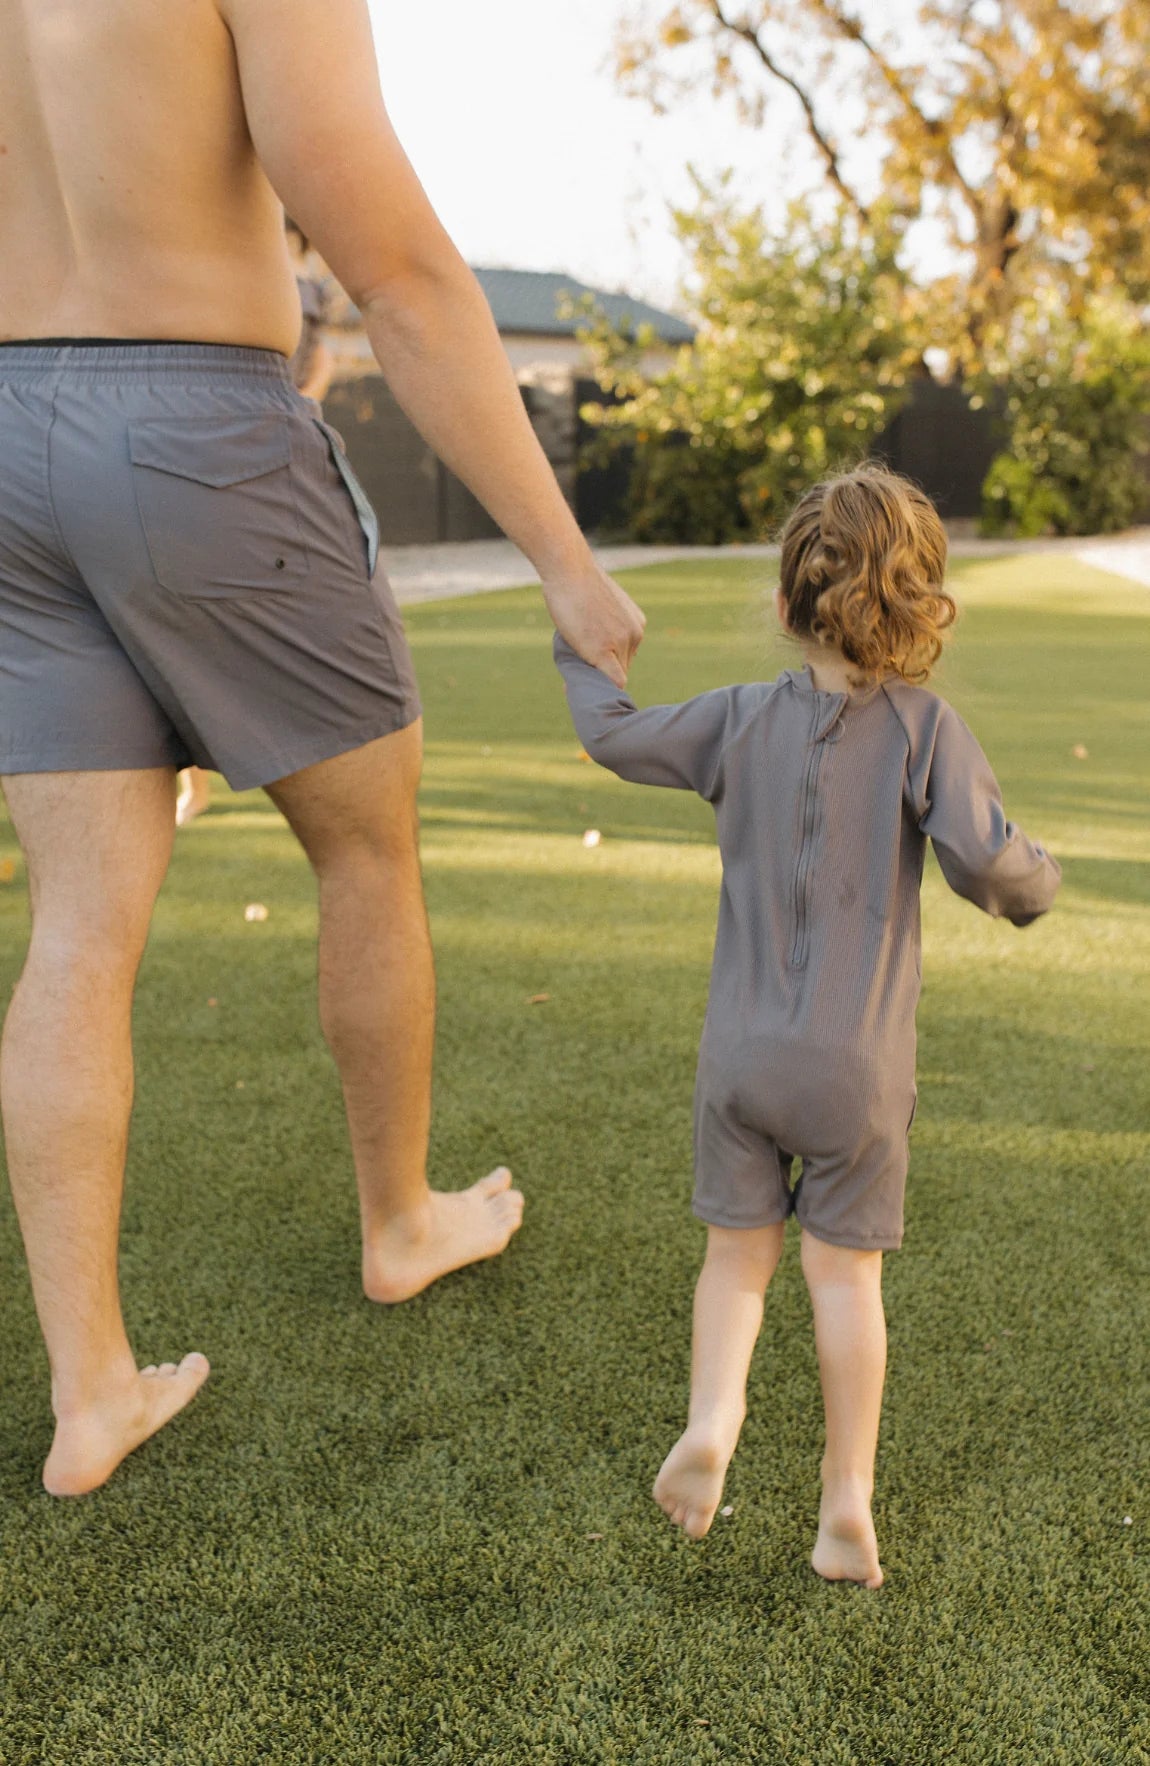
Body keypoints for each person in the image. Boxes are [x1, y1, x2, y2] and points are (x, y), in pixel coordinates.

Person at [0, 0, 645, 1498]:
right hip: (194, 422)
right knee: (364, 839)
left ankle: (90, 1387)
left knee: (78, 925)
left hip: (12, 435)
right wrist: (562, 560)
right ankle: (399, 1222)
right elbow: (403, 274)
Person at [555, 465, 1060, 1587]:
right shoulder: (927, 730)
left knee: (734, 1260)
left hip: (739, 1061)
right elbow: (995, 870)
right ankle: (843, 1498)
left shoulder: (736, 718)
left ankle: (713, 1421)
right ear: (927, 613)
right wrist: (1042, 875)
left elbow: (612, 735)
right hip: (856, 1075)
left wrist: (574, 646)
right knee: (844, 1282)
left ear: (788, 605)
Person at [174, 219, 337, 826]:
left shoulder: (313, 289)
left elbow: (322, 358)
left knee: (294, 601)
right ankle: (197, 784)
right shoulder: (223, 255)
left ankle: (292, 753)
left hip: (287, 442)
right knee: (191, 613)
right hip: (217, 444)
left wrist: (302, 409)